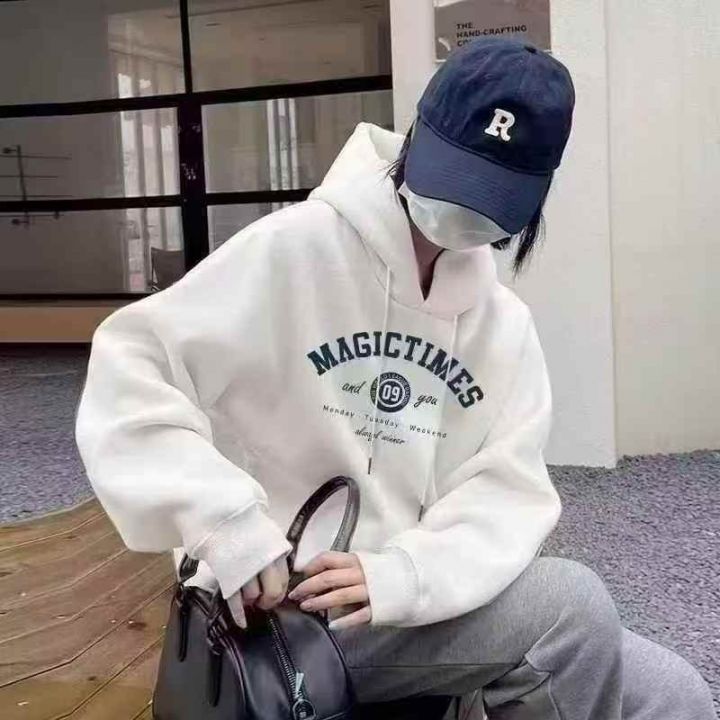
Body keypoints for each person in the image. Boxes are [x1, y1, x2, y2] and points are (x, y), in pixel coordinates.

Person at [74, 38, 716, 719]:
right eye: (456, 176)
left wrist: (405, 574)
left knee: (674, 694)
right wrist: (227, 525)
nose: (461, 210)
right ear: (416, 139)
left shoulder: (502, 324)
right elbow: (132, 367)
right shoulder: (293, 250)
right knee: (569, 606)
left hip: (402, 596)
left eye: (494, 194)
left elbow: (504, 492)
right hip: (280, 605)